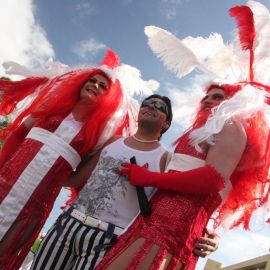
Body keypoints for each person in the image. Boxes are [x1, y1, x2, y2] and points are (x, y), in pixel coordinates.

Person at [30, 94, 218, 270]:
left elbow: (187, 199)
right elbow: (78, 178)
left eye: (160, 107)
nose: (151, 105)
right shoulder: (112, 141)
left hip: (109, 239)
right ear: (138, 114)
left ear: (166, 123)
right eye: (146, 103)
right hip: (68, 223)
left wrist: (209, 234)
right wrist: (36, 167)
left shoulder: (167, 160)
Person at [95, 83, 270, 270]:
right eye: (206, 97)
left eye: (217, 97)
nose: (208, 101)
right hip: (152, 223)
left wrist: (148, 177)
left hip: (170, 229)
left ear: (235, 103)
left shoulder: (231, 125)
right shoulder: (203, 132)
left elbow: (214, 179)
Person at [0, 50, 131, 269]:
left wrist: (52, 180)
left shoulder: (98, 136)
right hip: (4, 183)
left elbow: (78, 178)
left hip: (34, 206)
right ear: (80, 84)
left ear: (107, 98)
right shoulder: (51, 109)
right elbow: (17, 135)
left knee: (5, 255)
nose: (95, 86)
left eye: (102, 86)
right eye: (92, 81)